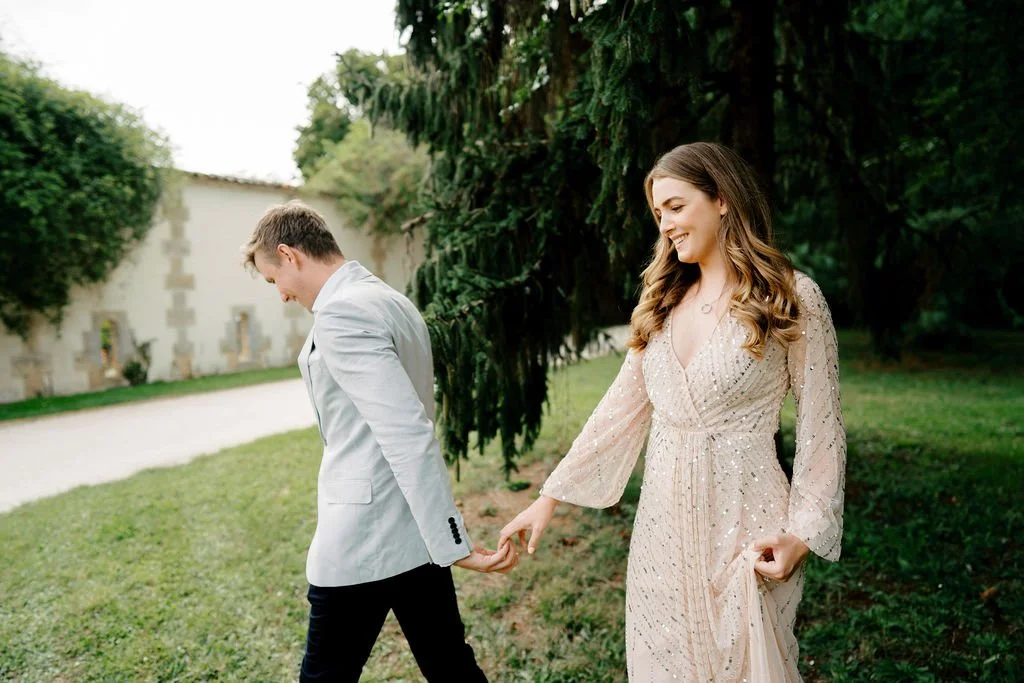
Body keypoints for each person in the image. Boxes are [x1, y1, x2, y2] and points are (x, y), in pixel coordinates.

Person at [499, 142, 846, 682]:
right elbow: (619, 411)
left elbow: (822, 430)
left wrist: (802, 535)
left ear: (722, 199)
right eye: (659, 213)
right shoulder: (661, 303)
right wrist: (549, 498)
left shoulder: (790, 296)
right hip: (661, 536)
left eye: (677, 207)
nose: (666, 225)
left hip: (748, 530)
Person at [242, 201, 517, 682]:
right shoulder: (388, 298)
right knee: (451, 667)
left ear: (289, 254)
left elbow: (407, 431)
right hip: (414, 531)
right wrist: (440, 538)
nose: (281, 295)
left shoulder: (341, 314)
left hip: (363, 537)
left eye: (273, 280)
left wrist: (453, 543)